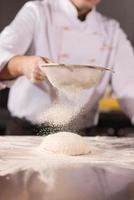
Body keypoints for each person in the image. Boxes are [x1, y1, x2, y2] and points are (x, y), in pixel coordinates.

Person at [0, 0, 134, 135]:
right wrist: (24, 65)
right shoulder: (38, 11)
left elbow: (130, 87)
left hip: (82, 135)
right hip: (27, 132)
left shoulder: (111, 31)